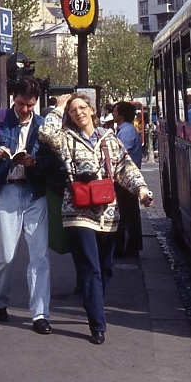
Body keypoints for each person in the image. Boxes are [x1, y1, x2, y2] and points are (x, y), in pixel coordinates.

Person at [39, 92, 153, 345]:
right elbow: (46, 134)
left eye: (81, 107)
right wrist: (58, 109)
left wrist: (142, 190)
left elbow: (125, 168)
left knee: (105, 268)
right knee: (90, 267)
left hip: (108, 213)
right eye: (72, 110)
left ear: (91, 110)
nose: (78, 112)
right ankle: (97, 324)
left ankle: (94, 303)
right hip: (77, 212)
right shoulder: (65, 138)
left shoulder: (108, 138)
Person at [0, 77, 52, 335]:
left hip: (33, 192)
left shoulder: (44, 126)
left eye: (29, 105)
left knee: (39, 255)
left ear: (36, 102)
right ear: (13, 98)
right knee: (5, 253)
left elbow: (53, 159)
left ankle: (40, 313)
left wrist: (36, 162)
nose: (25, 109)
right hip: (4, 190)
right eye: (20, 104)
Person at [113, 101, 143, 258]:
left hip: (126, 178)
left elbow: (118, 154)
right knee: (129, 212)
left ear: (121, 114)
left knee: (126, 213)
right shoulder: (126, 130)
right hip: (127, 178)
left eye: (115, 111)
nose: (113, 113)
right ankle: (131, 244)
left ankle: (128, 246)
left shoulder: (126, 132)